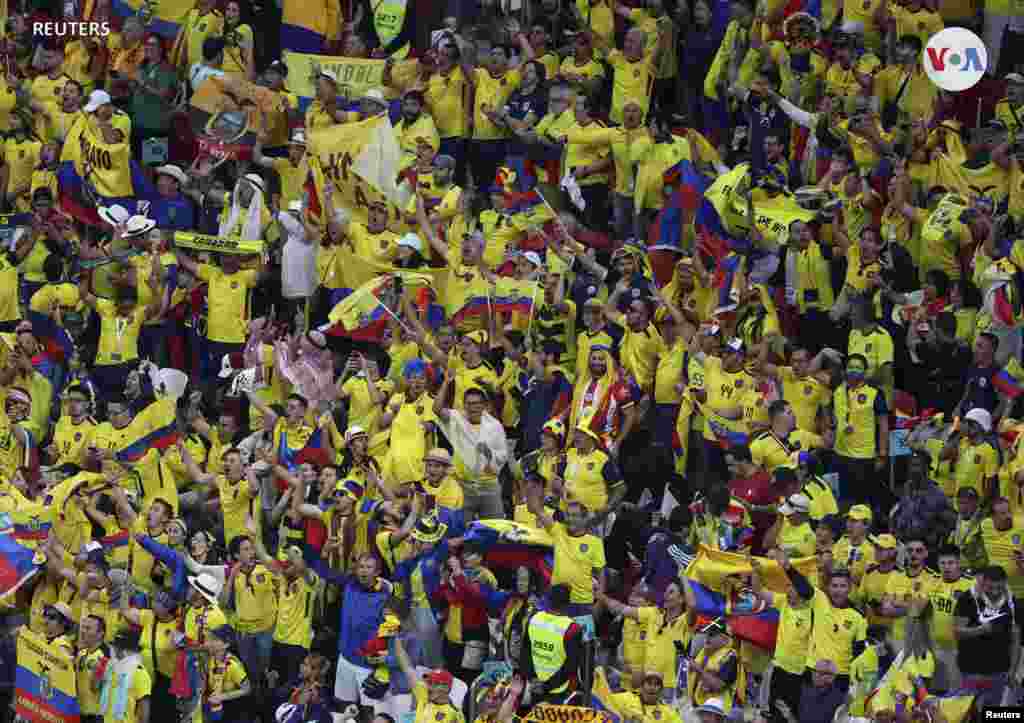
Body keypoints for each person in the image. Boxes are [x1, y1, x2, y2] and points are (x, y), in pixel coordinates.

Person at [953, 565, 1020, 709]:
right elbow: (957, 632)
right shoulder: (967, 599)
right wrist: (980, 630)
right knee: (967, 712)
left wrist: (1012, 671)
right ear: (983, 582)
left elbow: (1015, 640)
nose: (995, 592)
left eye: (999, 588)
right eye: (991, 588)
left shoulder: (1012, 603)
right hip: (971, 671)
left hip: (999, 672)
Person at [519, 584, 584, 704]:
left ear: (548, 601)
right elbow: (571, 665)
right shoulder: (572, 628)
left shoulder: (533, 619)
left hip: (535, 686)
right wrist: (546, 686)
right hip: (558, 690)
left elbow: (524, 653)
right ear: (568, 604)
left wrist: (533, 679)